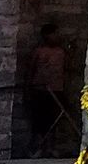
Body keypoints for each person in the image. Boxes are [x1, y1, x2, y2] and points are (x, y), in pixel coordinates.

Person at [26, 20, 74, 154]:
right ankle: (37, 147)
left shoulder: (61, 52)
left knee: (54, 119)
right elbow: (30, 70)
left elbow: (68, 68)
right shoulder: (38, 51)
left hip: (56, 89)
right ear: (47, 35)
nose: (57, 37)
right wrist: (28, 89)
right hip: (40, 90)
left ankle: (50, 147)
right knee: (39, 120)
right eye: (54, 34)